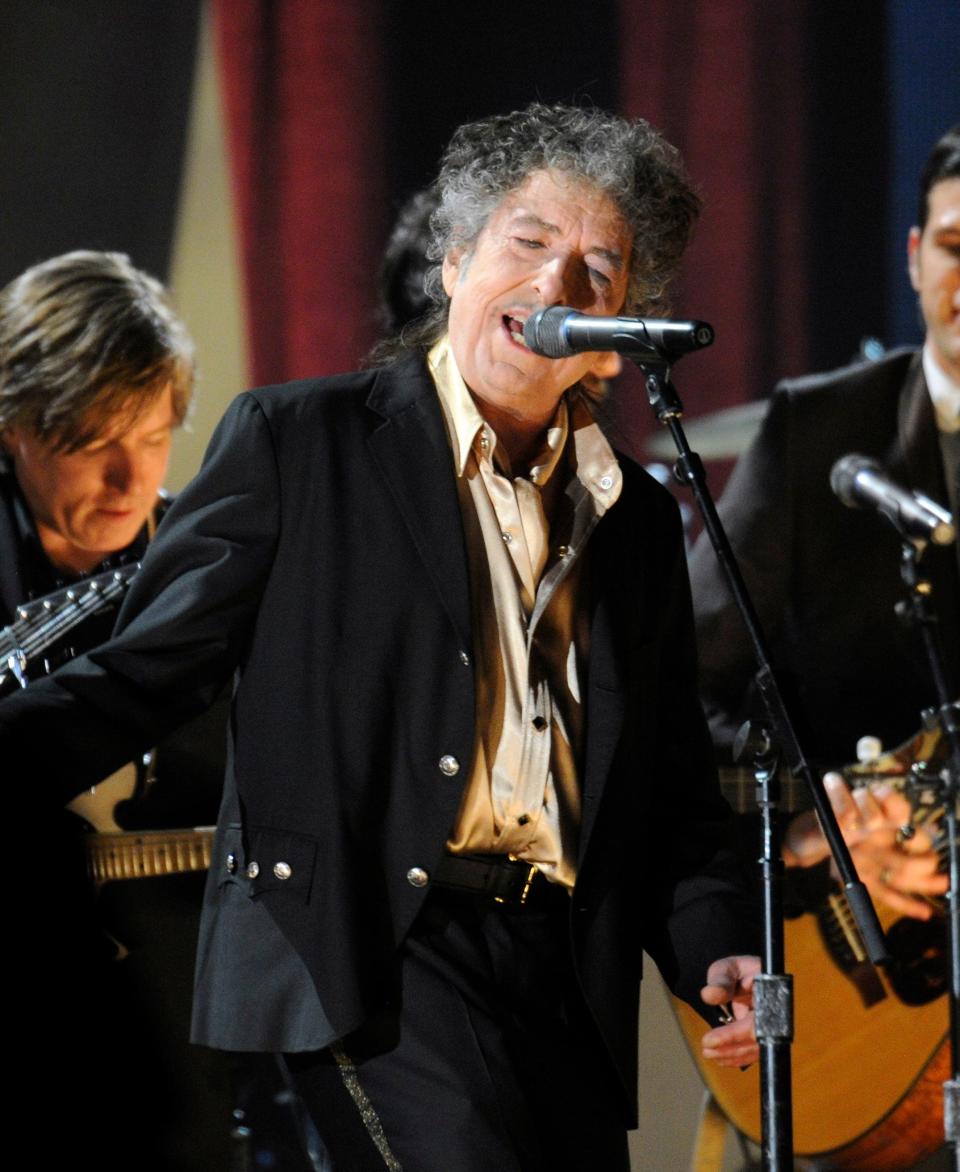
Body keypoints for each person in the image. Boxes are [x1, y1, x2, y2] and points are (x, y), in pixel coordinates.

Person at [0, 105, 759, 1170]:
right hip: (382, 948)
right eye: (528, 243)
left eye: (600, 265)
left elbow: (670, 782)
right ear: (454, 262)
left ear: (626, 317)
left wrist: (711, 939)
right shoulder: (302, 442)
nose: (558, 287)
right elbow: (143, 670)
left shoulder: (628, 516)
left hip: (562, 970)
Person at [688, 128, 957, 1168]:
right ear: (912, 255)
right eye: (955, 243)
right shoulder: (817, 434)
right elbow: (676, 697)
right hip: (854, 991)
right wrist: (814, 823)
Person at [0, 250, 235, 1170]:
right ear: (14, 425)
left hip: (174, 1014)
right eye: (91, 439)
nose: (127, 479)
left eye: (151, 436)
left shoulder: (211, 569)